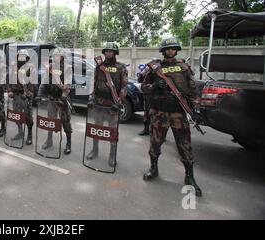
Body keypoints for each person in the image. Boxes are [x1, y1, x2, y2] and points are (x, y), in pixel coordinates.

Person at [141, 37, 202, 197]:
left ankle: (190, 176)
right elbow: (144, 87)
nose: (170, 51)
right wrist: (154, 86)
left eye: (173, 48)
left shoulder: (183, 67)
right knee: (155, 142)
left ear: (176, 49)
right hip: (159, 112)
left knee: (184, 144)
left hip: (178, 113)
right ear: (163, 51)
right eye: (167, 48)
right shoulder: (155, 68)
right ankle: (153, 168)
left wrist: (196, 108)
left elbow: (193, 89)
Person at [86, 42, 128, 167]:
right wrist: (91, 97)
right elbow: (94, 83)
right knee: (96, 129)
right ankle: (95, 150)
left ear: (115, 53)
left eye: (111, 51)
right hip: (99, 104)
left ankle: (112, 155)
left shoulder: (121, 68)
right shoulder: (99, 66)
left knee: (112, 131)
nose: (109, 53)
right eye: (107, 51)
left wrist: (119, 102)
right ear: (104, 53)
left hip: (113, 105)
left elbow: (124, 87)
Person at [35, 49, 73, 155]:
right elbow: (43, 82)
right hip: (51, 99)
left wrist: (63, 98)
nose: (56, 57)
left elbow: (68, 86)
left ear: (62, 57)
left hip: (62, 99)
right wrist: (39, 94)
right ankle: (49, 140)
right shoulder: (50, 67)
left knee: (65, 121)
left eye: (58, 55)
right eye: (55, 55)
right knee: (50, 121)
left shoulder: (67, 68)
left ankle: (68, 143)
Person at [7, 49, 36, 145]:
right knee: (16, 115)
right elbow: (9, 80)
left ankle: (30, 135)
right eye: (20, 56)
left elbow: (33, 82)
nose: (21, 58)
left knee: (28, 117)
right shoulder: (14, 67)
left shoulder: (30, 67)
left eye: (23, 56)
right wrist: (9, 90)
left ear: (26, 58)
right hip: (15, 95)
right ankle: (20, 132)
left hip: (26, 96)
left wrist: (28, 93)